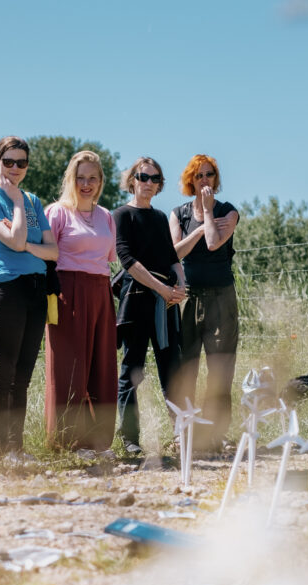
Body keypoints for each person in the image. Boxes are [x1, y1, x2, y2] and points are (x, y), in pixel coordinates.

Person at [0, 137, 58, 463]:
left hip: (36, 290)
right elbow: (16, 238)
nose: (15, 168)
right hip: (5, 290)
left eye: (21, 163)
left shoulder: (35, 201)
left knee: (22, 375)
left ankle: (17, 448)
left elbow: (52, 251)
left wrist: (24, 245)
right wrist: (17, 203)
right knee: (3, 373)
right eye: (8, 161)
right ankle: (1, 452)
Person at [43, 151, 118, 453]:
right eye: (80, 177)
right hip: (67, 289)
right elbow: (47, 259)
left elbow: (107, 259)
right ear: (71, 180)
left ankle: (99, 440)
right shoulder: (58, 212)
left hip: (101, 289)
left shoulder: (107, 217)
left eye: (92, 178)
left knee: (102, 365)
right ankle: (68, 441)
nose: (86, 184)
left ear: (100, 182)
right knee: (70, 367)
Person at [113, 157, 187, 456]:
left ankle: (181, 435)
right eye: (143, 177)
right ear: (133, 180)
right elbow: (127, 260)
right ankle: (130, 439)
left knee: (172, 369)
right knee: (133, 370)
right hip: (137, 301)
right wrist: (162, 289)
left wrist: (180, 284)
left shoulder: (158, 218)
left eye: (154, 179)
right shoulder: (121, 215)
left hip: (166, 303)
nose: (148, 183)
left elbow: (172, 256)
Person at [168, 154, 239, 451]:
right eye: (199, 175)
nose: (205, 180)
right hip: (189, 298)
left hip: (222, 297)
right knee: (187, 368)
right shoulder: (178, 214)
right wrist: (197, 227)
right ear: (190, 180)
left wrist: (208, 214)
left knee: (220, 369)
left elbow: (212, 243)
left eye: (209, 174)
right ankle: (184, 433)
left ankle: (215, 434)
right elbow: (175, 254)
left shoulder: (228, 212)